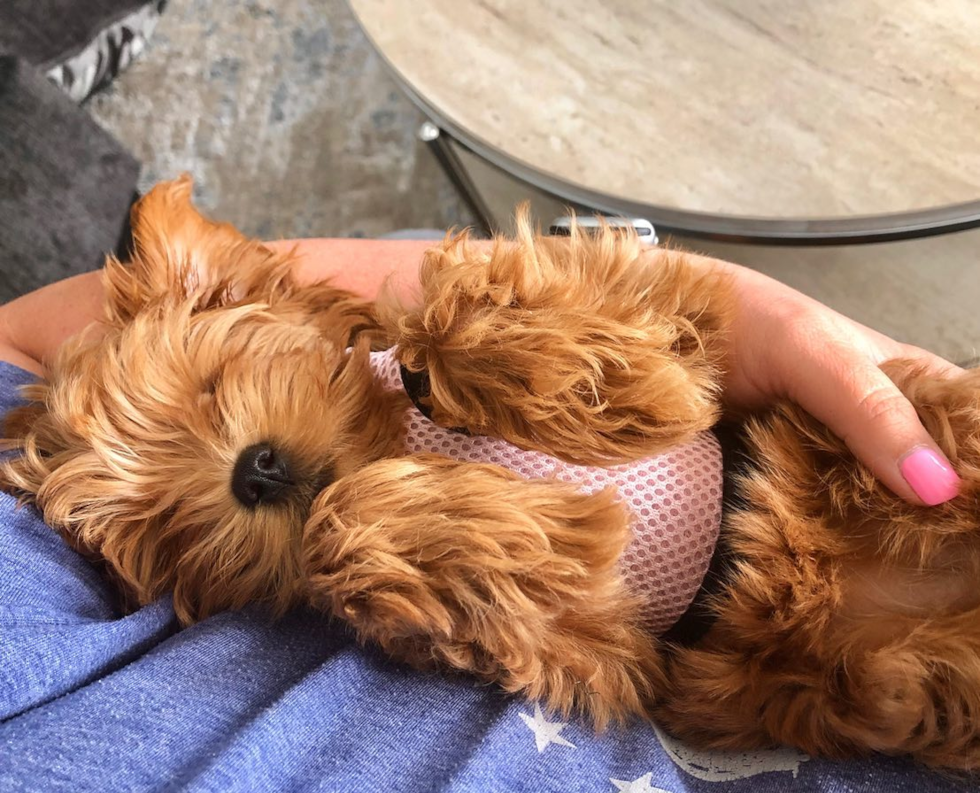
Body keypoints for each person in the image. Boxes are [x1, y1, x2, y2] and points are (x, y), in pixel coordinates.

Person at [0, 236, 962, 506]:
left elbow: (66, 325)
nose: (244, 462)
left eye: (215, 399)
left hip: (808, 468)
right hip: (777, 682)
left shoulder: (403, 359)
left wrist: (714, 304)